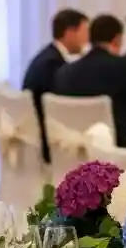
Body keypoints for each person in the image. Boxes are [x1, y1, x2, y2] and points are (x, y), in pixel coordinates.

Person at [53, 13, 126, 148]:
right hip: (118, 155)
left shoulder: (64, 73)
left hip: (74, 155)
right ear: (117, 40)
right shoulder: (125, 67)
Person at [22, 8, 89, 162]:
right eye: (85, 32)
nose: (87, 40)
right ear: (70, 32)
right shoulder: (53, 64)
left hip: (35, 135)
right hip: (48, 142)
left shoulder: (47, 55)